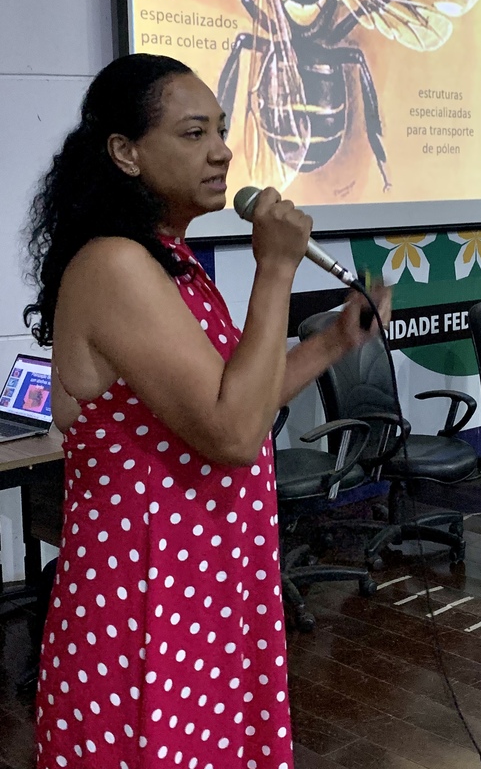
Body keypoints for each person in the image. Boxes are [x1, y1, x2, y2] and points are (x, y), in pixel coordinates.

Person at [24, 53, 390, 769]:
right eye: (194, 134)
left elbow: (234, 402)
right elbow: (230, 436)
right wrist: (276, 269)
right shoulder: (114, 265)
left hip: (210, 586)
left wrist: (332, 343)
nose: (222, 150)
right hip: (149, 600)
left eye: (221, 130)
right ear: (126, 153)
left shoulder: (173, 265)